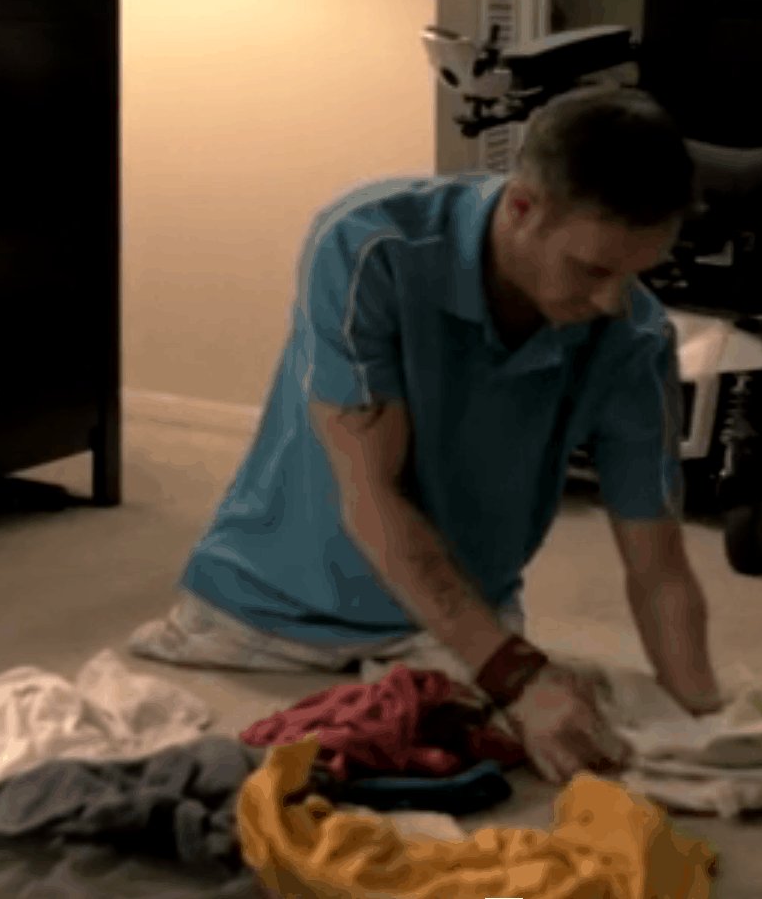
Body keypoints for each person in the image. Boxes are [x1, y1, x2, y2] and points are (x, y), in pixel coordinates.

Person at [129, 85, 724, 784]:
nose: (612, 300)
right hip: (261, 619)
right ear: (522, 207)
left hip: (453, 634)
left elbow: (658, 566)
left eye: (637, 274)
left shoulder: (634, 336)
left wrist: (709, 722)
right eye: (592, 268)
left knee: (573, 763)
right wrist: (515, 674)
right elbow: (371, 495)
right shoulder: (368, 244)